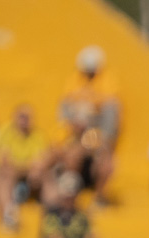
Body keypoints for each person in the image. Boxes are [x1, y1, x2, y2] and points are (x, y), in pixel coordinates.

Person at [57, 46, 118, 198]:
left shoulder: (108, 91)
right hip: (75, 138)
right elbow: (64, 118)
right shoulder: (72, 87)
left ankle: (99, 197)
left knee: (106, 163)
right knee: (71, 157)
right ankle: (69, 195)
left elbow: (110, 122)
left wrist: (102, 141)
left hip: (96, 138)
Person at [0, 104, 51, 231]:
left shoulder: (38, 135)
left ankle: (52, 216)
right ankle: (8, 215)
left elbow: (42, 161)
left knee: (46, 176)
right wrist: (28, 166)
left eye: (28, 117)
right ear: (14, 117)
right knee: (4, 174)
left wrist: (30, 168)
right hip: (6, 176)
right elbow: (4, 163)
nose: (25, 120)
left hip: (27, 177)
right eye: (22, 116)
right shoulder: (4, 132)